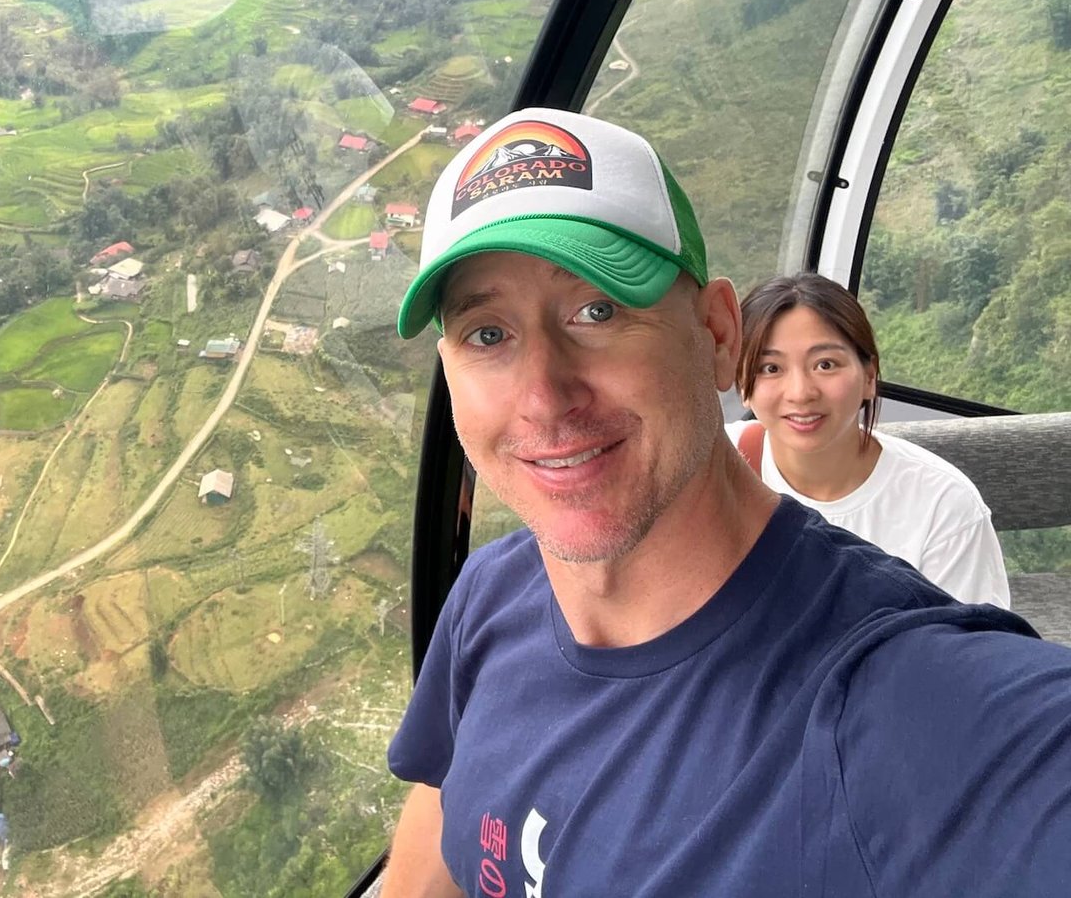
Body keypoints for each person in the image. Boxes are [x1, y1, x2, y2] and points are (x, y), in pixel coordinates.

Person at [382, 106, 1071, 897]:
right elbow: (442, 812)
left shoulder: (883, 705)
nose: (543, 397)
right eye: (488, 335)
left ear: (716, 335)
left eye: (596, 311)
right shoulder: (490, 595)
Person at [727, 273, 1010, 607]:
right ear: (743, 384)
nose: (801, 393)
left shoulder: (942, 505)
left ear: (869, 377)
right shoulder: (713, 468)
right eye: (771, 368)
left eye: (825, 364)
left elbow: (966, 651)